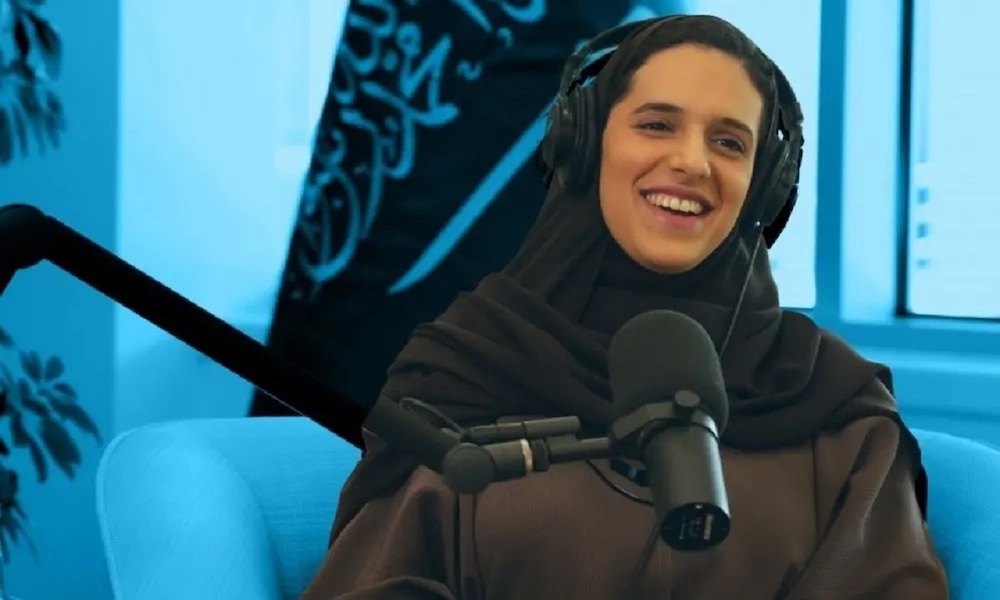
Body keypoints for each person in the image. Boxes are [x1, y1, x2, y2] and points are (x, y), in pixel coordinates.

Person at [301, 15, 950, 599]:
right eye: (657, 125)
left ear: (765, 186)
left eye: (729, 142)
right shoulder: (461, 371)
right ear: (584, 145)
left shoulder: (835, 405)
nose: (692, 162)